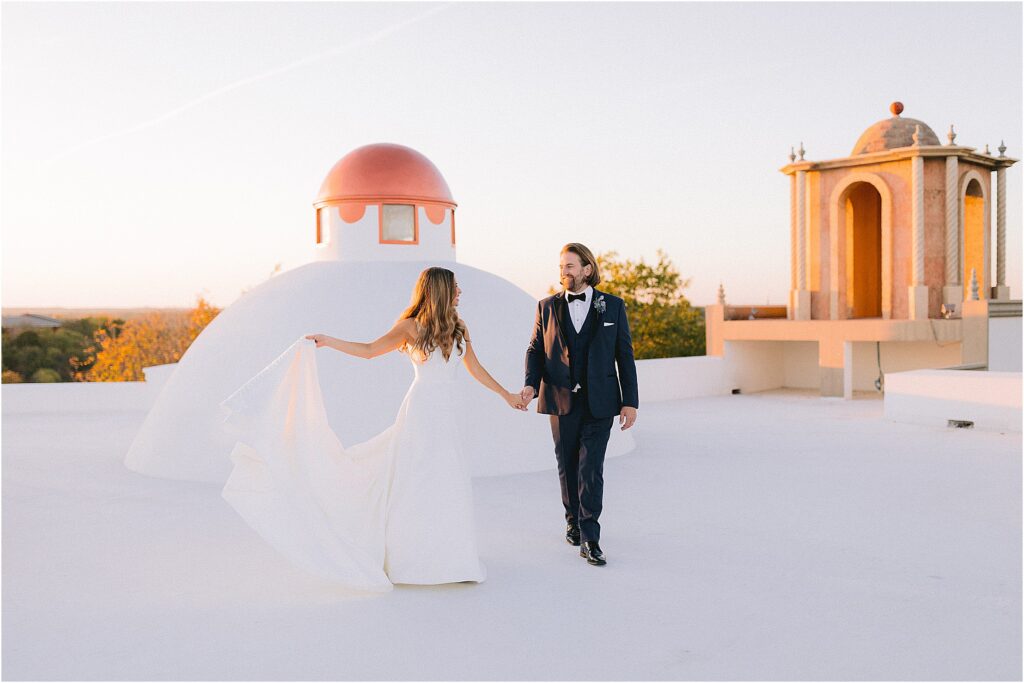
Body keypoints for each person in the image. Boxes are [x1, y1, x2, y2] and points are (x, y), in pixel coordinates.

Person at [219, 266, 525, 593]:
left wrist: (506, 395)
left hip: (447, 413)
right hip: (421, 413)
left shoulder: (459, 328)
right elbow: (368, 351)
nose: (461, 293)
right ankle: (413, 562)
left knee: (447, 478)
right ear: (439, 290)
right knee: (416, 480)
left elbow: (474, 367)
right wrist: (328, 340)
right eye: (456, 288)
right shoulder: (409, 327)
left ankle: (452, 559)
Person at [520, 243, 639, 566]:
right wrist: (531, 384)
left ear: (587, 269)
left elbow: (623, 355)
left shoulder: (613, 306)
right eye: (561, 267)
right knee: (568, 464)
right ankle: (572, 518)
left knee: (591, 468)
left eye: (570, 266)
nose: (564, 272)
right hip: (559, 397)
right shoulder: (546, 307)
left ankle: (590, 536)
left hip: (601, 401)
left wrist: (630, 401)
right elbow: (535, 349)